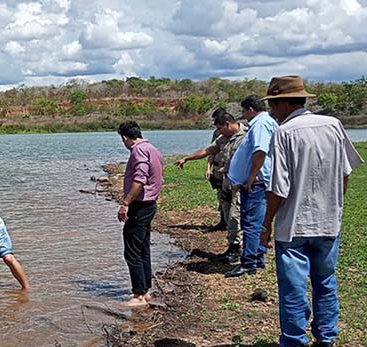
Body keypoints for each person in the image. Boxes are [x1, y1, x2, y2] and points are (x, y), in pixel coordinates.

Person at [259, 75, 363, 347]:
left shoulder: (284, 133)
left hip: (293, 224)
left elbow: (278, 187)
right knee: (325, 279)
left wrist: (266, 224)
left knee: (293, 285)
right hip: (328, 221)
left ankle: (293, 344)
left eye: (272, 105)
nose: (271, 112)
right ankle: (326, 335)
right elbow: (345, 173)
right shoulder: (333, 125)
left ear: (282, 104)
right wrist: (335, 206)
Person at [175, 113, 247, 263]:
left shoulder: (248, 135)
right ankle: (233, 247)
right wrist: (187, 158)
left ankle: (238, 249)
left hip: (242, 182)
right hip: (227, 180)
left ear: (228, 124)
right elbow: (207, 150)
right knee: (228, 214)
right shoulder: (223, 139)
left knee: (235, 215)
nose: (219, 132)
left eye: (220, 128)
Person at [225, 95, 278, 277]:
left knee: (251, 223)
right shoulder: (263, 123)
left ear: (250, 109)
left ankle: (249, 262)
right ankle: (257, 257)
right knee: (258, 221)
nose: (244, 115)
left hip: (256, 183)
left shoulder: (261, 124)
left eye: (244, 111)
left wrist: (250, 178)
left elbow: (260, 152)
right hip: (257, 182)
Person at [117, 121, 164, 307]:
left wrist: (125, 203)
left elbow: (140, 179)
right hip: (149, 205)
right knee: (143, 248)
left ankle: (138, 295)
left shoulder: (138, 151)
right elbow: (159, 176)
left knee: (132, 251)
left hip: (140, 206)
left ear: (125, 137)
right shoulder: (153, 149)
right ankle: (145, 291)